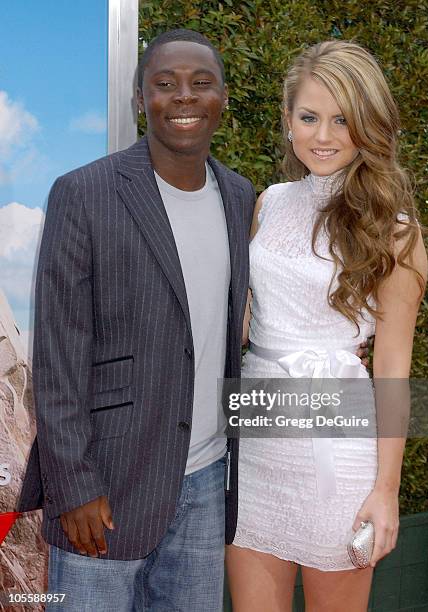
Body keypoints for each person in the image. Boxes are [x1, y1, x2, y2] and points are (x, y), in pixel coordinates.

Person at [17, 29, 256, 611]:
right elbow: (58, 353)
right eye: (164, 83)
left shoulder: (239, 196)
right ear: (139, 99)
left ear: (223, 98)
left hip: (206, 480)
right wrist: (74, 485)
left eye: (201, 84)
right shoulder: (84, 193)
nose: (184, 97)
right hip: (105, 491)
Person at [226, 40, 428, 612]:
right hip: (257, 438)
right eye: (309, 117)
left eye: (342, 120)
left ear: (369, 124)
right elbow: (238, 322)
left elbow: (392, 369)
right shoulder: (267, 202)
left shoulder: (397, 230)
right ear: (287, 119)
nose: (323, 135)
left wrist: (385, 492)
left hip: (338, 449)